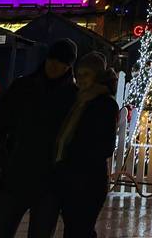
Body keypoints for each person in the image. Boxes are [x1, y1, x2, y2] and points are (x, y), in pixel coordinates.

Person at [0, 39, 78, 238]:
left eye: (61, 62)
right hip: (17, 171)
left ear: (68, 66)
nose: (54, 65)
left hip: (49, 179)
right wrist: (1, 152)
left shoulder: (73, 96)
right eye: (52, 59)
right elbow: (0, 120)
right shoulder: (24, 86)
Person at [42, 52, 119, 238]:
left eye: (87, 74)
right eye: (79, 74)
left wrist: (76, 158)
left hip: (88, 180)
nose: (81, 79)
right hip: (70, 178)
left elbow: (105, 146)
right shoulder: (77, 100)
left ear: (97, 75)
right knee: (74, 228)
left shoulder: (105, 104)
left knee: (80, 229)